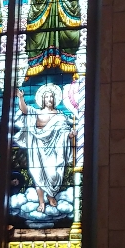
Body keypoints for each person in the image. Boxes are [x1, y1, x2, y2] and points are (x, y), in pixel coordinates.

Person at [14, 84, 74, 213]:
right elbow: (25, 110)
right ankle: (41, 202)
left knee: (54, 174)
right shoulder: (37, 113)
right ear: (42, 99)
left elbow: (65, 131)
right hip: (38, 148)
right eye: (47, 97)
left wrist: (69, 135)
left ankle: (50, 195)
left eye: (51, 97)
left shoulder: (60, 115)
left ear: (55, 99)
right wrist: (20, 98)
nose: (49, 99)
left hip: (55, 150)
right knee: (38, 174)